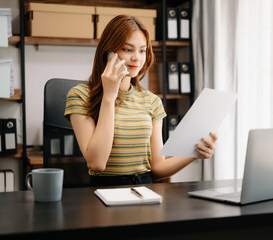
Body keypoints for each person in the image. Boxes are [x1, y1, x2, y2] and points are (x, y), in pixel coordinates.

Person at [64, 15, 217, 186]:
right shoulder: (80, 95)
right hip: (104, 190)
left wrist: (194, 153)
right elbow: (97, 163)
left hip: (145, 189)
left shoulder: (152, 101)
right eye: (128, 49)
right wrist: (109, 97)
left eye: (142, 50)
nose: (137, 58)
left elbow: (157, 168)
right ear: (108, 53)